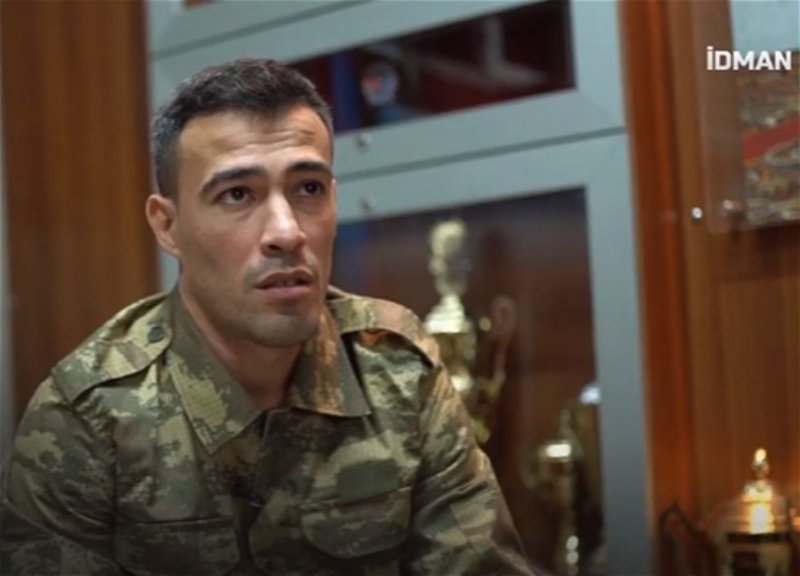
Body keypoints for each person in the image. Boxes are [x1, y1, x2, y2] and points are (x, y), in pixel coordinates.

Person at [0, 59, 532, 575]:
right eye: (237, 194)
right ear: (167, 226)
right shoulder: (89, 418)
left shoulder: (395, 366)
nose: (287, 231)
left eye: (308, 189)